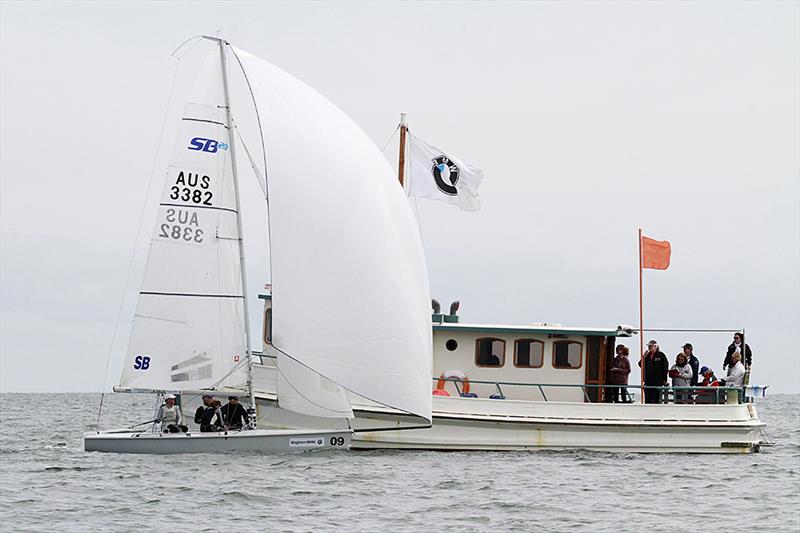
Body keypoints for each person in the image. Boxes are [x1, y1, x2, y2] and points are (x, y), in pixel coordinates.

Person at [638, 340, 669, 404]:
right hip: (648, 380)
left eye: (651, 346)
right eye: (649, 346)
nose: (649, 347)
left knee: (655, 398)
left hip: (657, 381)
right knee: (648, 398)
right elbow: (640, 364)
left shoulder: (661, 355)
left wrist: (664, 379)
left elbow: (665, 367)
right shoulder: (647, 356)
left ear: (655, 346)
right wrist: (644, 357)